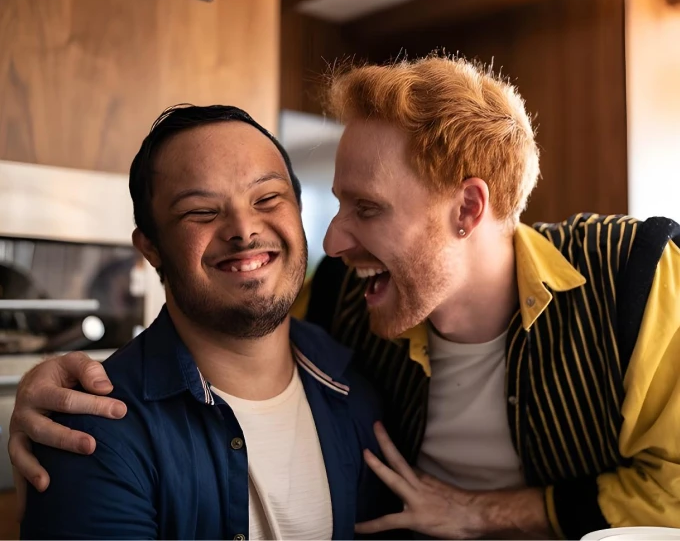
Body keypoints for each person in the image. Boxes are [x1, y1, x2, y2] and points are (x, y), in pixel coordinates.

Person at [10, 56, 680, 540]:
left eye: (367, 207)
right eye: (335, 205)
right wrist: (47, 379)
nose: (332, 238)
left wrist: (484, 514)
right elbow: (230, 314)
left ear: (468, 208)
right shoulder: (337, 303)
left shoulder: (637, 278)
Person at [15, 104, 388, 540]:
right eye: (201, 212)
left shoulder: (356, 383)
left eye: (267, 198)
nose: (244, 229)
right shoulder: (93, 431)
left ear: (299, 208)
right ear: (151, 247)